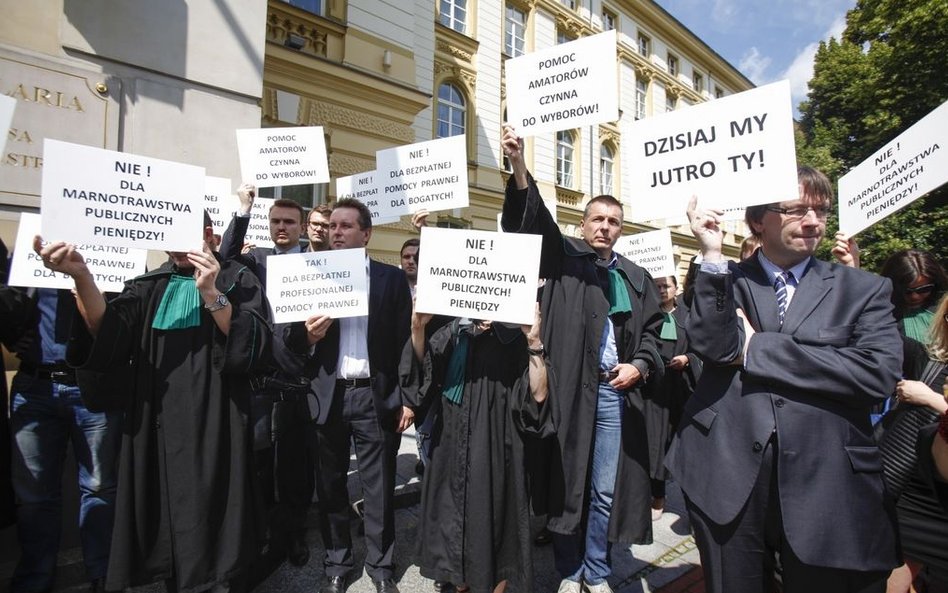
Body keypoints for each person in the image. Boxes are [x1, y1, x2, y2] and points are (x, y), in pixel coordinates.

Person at [666, 167, 902, 593]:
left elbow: (877, 373)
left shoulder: (864, 289)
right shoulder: (726, 278)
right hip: (726, 472)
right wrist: (713, 254)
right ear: (758, 220)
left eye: (820, 211)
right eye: (796, 211)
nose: (812, 222)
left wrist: (758, 349)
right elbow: (716, 348)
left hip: (826, 481)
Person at [35, 211, 273, 593]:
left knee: (217, 516)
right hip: (158, 419)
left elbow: (251, 344)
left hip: (218, 417)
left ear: (208, 234)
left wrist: (211, 291)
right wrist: (82, 277)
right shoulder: (149, 284)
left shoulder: (237, 278)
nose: (176, 245)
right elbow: (107, 331)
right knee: (166, 514)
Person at [500, 125, 664, 593]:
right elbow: (530, 224)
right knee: (567, 482)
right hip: (569, 388)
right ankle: (570, 571)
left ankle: (598, 568)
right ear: (583, 224)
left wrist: (641, 365)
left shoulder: (636, 277)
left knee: (604, 487)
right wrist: (518, 167)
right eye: (597, 219)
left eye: (613, 222)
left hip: (614, 391)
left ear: (621, 229)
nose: (604, 228)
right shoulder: (563, 258)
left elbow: (652, 334)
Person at [277, 197, 412, 593]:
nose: (336, 232)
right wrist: (308, 335)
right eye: (332, 226)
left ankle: (382, 566)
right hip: (327, 397)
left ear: (366, 234)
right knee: (332, 485)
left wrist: (408, 397)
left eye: (346, 226)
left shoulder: (389, 280)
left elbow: (404, 343)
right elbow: (288, 343)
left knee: (379, 487)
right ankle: (338, 559)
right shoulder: (306, 274)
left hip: (376, 396)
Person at [402, 302, 550, 593]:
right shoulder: (454, 332)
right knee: (453, 518)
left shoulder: (514, 335)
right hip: (451, 440)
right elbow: (422, 377)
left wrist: (534, 341)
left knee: (494, 519)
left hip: (497, 443)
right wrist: (417, 328)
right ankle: (459, 582)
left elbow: (539, 395)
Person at [4, 237, 121, 593]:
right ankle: (35, 577)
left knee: (100, 487)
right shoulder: (27, 251)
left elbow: (120, 326)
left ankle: (102, 574)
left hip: (91, 389)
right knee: (35, 495)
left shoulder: (116, 249)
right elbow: (8, 305)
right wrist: (11, 338)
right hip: (35, 386)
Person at [219, 183, 315, 569]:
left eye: (289, 222)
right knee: (260, 468)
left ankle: (293, 535)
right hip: (260, 380)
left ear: (302, 225)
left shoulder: (317, 259)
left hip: (300, 379)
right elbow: (222, 259)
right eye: (275, 221)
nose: (282, 227)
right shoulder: (254, 259)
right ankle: (260, 535)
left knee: (294, 469)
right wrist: (244, 210)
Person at [884, 294, 948, 592]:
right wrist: (851, 270)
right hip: (916, 496)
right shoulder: (934, 363)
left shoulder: (929, 386)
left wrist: (932, 400)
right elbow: (887, 335)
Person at [642, 275, 701, 521]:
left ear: (676, 288)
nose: (662, 290)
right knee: (654, 444)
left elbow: (701, 347)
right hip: (654, 391)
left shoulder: (688, 316)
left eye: (666, 286)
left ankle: (694, 505)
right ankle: (657, 496)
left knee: (681, 446)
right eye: (657, 287)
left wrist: (687, 359)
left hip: (681, 390)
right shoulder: (648, 316)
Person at [879, 249, 947, 346]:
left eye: (923, 289)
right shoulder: (879, 317)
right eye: (906, 291)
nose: (915, 296)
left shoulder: (943, 310)